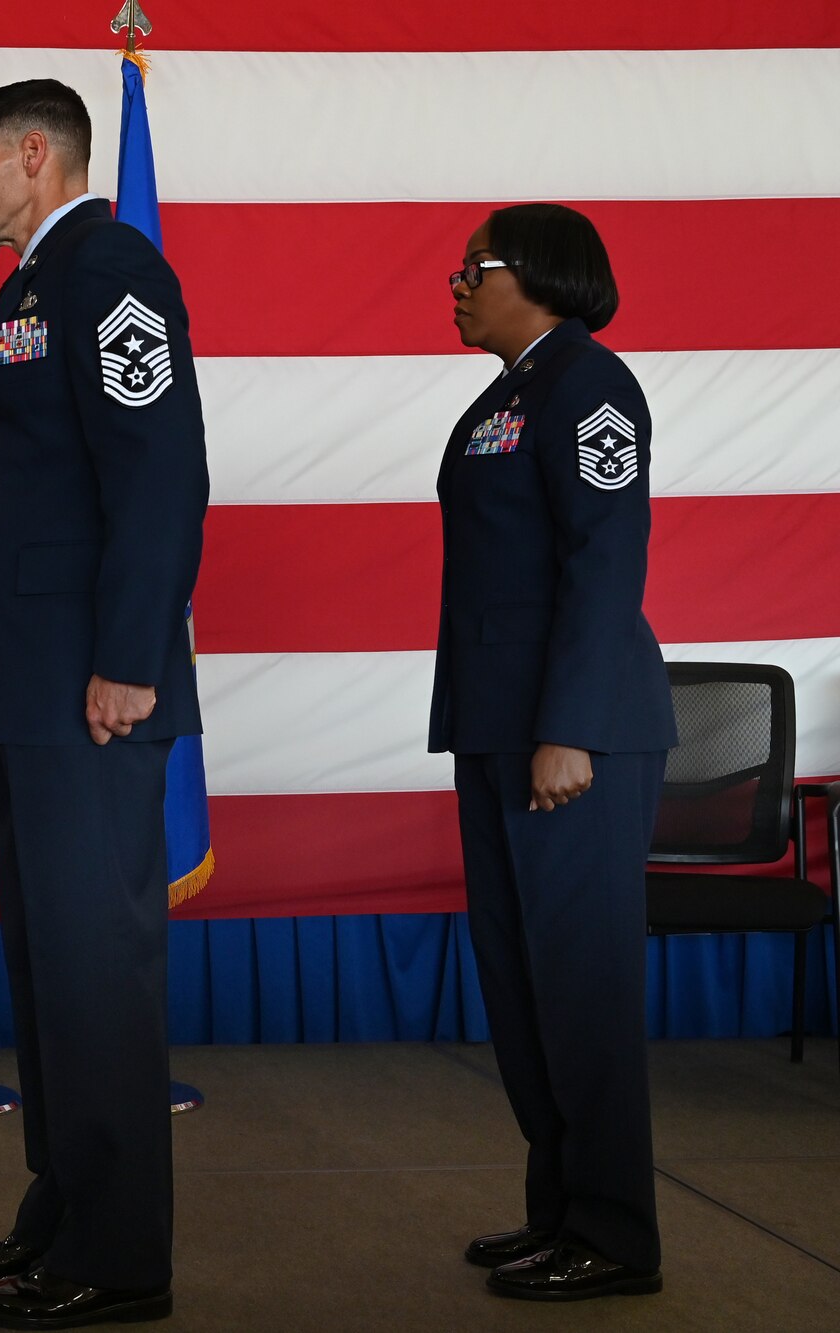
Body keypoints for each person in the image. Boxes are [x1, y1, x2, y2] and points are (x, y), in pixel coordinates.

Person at [0, 79, 207, 1328]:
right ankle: (61, 1208)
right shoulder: (31, 279)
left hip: (96, 682)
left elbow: (158, 473)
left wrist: (130, 655)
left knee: (99, 971)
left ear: (36, 154)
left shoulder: (112, 267)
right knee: (46, 968)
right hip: (34, 685)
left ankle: (118, 1251)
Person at [434, 204, 675, 1301]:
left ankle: (615, 1232)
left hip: (569, 734)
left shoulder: (590, 386)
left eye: (472, 266)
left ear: (535, 273)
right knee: (521, 983)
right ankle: (559, 1210)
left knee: (578, 987)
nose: (454, 281)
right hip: (495, 723)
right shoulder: (509, 392)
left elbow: (601, 559)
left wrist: (565, 727)